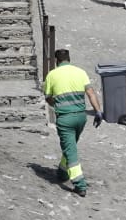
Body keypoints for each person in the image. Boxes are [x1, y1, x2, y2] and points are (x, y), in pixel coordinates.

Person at [43, 49, 102, 197]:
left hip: (65, 119)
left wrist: (56, 102)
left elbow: (48, 97)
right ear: (69, 59)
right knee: (70, 146)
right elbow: (90, 93)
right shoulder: (80, 72)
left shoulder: (52, 75)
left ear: (56, 61)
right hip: (81, 118)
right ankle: (62, 172)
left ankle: (80, 184)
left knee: (71, 150)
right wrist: (98, 112)